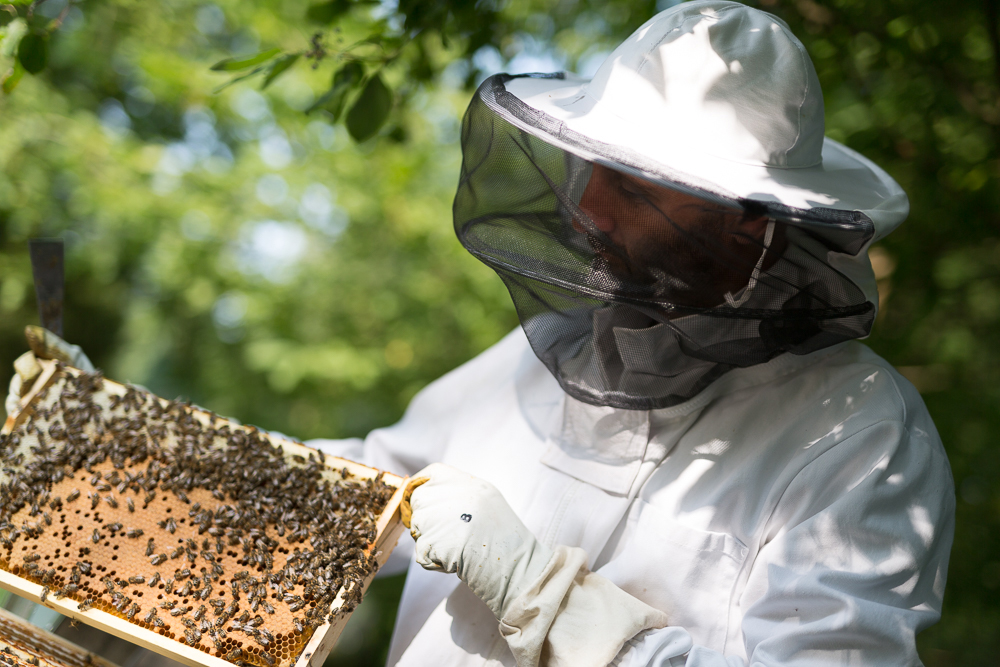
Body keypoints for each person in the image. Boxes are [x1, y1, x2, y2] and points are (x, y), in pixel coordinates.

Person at [7, 2, 955, 666]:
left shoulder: (858, 437)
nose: (586, 207)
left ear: (746, 219)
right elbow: (363, 492)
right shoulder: (544, 361)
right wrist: (122, 457)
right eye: (593, 168)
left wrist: (555, 602)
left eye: (632, 184)